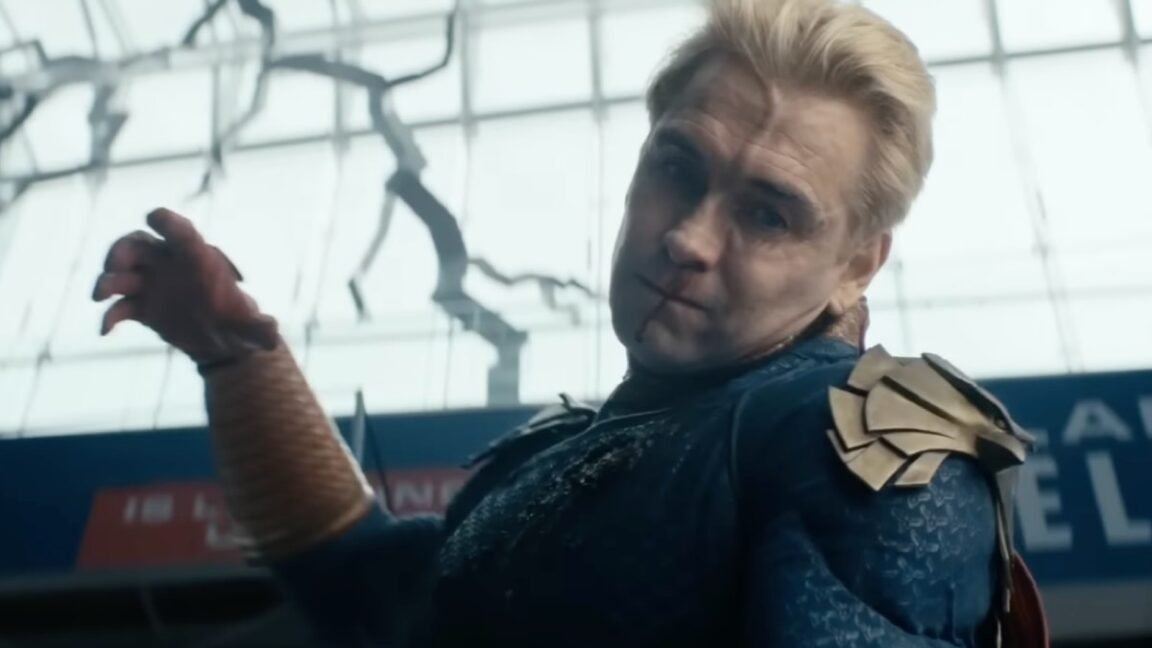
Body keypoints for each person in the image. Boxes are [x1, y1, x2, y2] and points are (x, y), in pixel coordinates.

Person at [92, 0, 1048, 645]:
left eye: (768, 214)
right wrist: (238, 359)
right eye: (676, 167)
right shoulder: (569, 451)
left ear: (855, 266)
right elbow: (380, 598)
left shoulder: (863, 452)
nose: (687, 237)